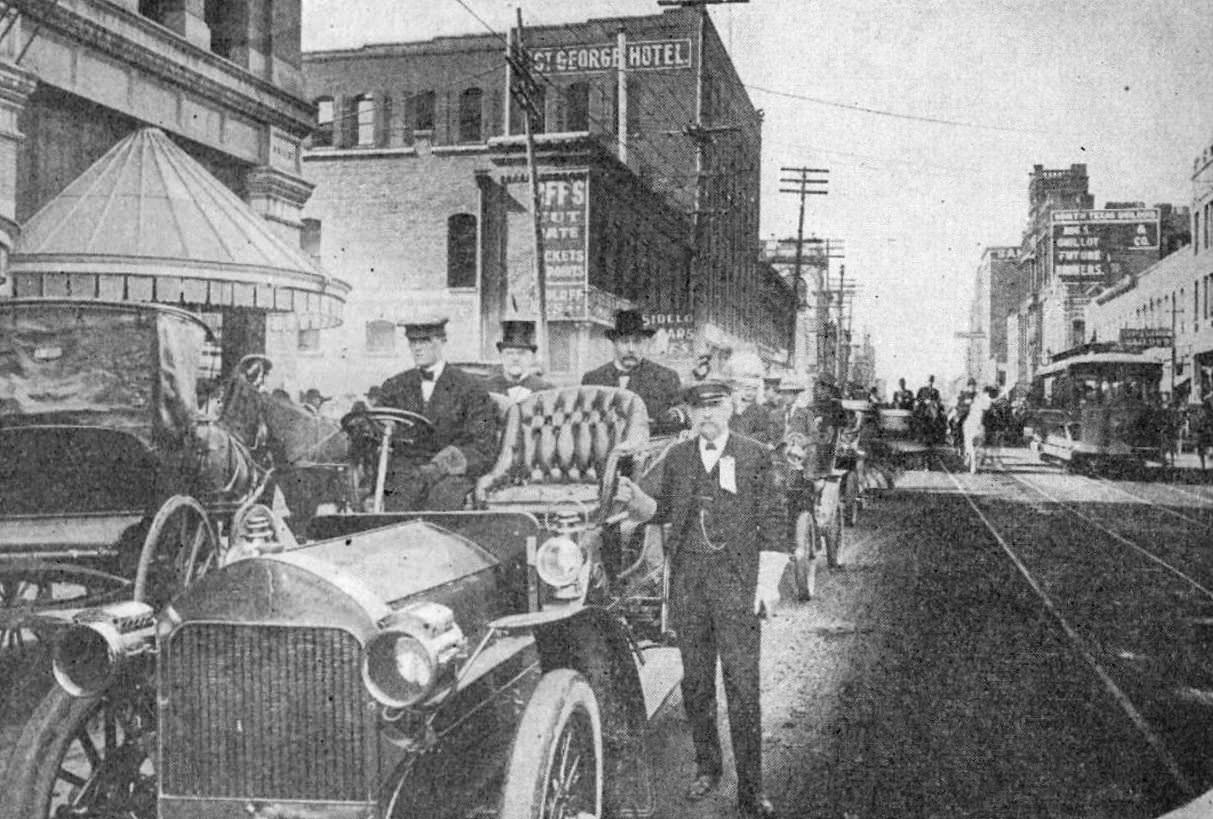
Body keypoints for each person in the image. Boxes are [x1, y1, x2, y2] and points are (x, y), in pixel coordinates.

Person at [613, 381, 784, 819]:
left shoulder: (755, 455)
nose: (706, 414)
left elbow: (774, 522)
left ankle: (752, 789)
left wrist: (767, 585)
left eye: (714, 405)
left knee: (743, 687)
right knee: (697, 685)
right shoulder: (678, 457)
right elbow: (661, 510)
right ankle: (708, 767)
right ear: (688, 413)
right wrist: (635, 500)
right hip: (689, 586)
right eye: (698, 408)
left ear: (730, 408)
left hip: (736, 586)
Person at [374, 316, 498, 511]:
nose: (417, 348)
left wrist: (441, 466)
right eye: (413, 342)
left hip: (450, 474)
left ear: (442, 341)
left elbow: (483, 445)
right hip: (406, 474)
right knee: (396, 498)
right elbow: (378, 433)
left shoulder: (471, 388)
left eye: (425, 341)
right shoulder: (395, 386)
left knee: (442, 500)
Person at [583, 309, 682, 432]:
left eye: (637, 342)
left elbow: (682, 419)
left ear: (644, 343)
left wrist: (671, 418)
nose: (631, 349)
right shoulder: (593, 380)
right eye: (624, 341)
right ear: (614, 343)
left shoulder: (666, 377)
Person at [484, 319, 553, 402]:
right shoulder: (486, 388)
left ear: (532, 357)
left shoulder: (546, 389)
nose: (515, 358)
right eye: (509, 353)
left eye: (522, 353)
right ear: (501, 357)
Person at [963, 386, 995, 473]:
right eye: (987, 393)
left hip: (982, 423)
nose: (988, 395)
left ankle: (976, 459)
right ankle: (971, 459)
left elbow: (988, 407)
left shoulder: (988, 399)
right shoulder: (978, 398)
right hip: (972, 420)